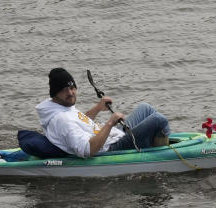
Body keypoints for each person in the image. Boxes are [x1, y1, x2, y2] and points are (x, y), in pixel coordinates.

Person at [36, 67, 171, 158]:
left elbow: (81, 123)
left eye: (72, 88)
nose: (70, 93)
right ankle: (163, 156)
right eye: (64, 90)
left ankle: (156, 142)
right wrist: (110, 123)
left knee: (145, 108)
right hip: (110, 148)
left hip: (111, 136)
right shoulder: (61, 120)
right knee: (159, 119)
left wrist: (98, 107)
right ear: (55, 93)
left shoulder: (62, 105)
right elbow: (87, 150)